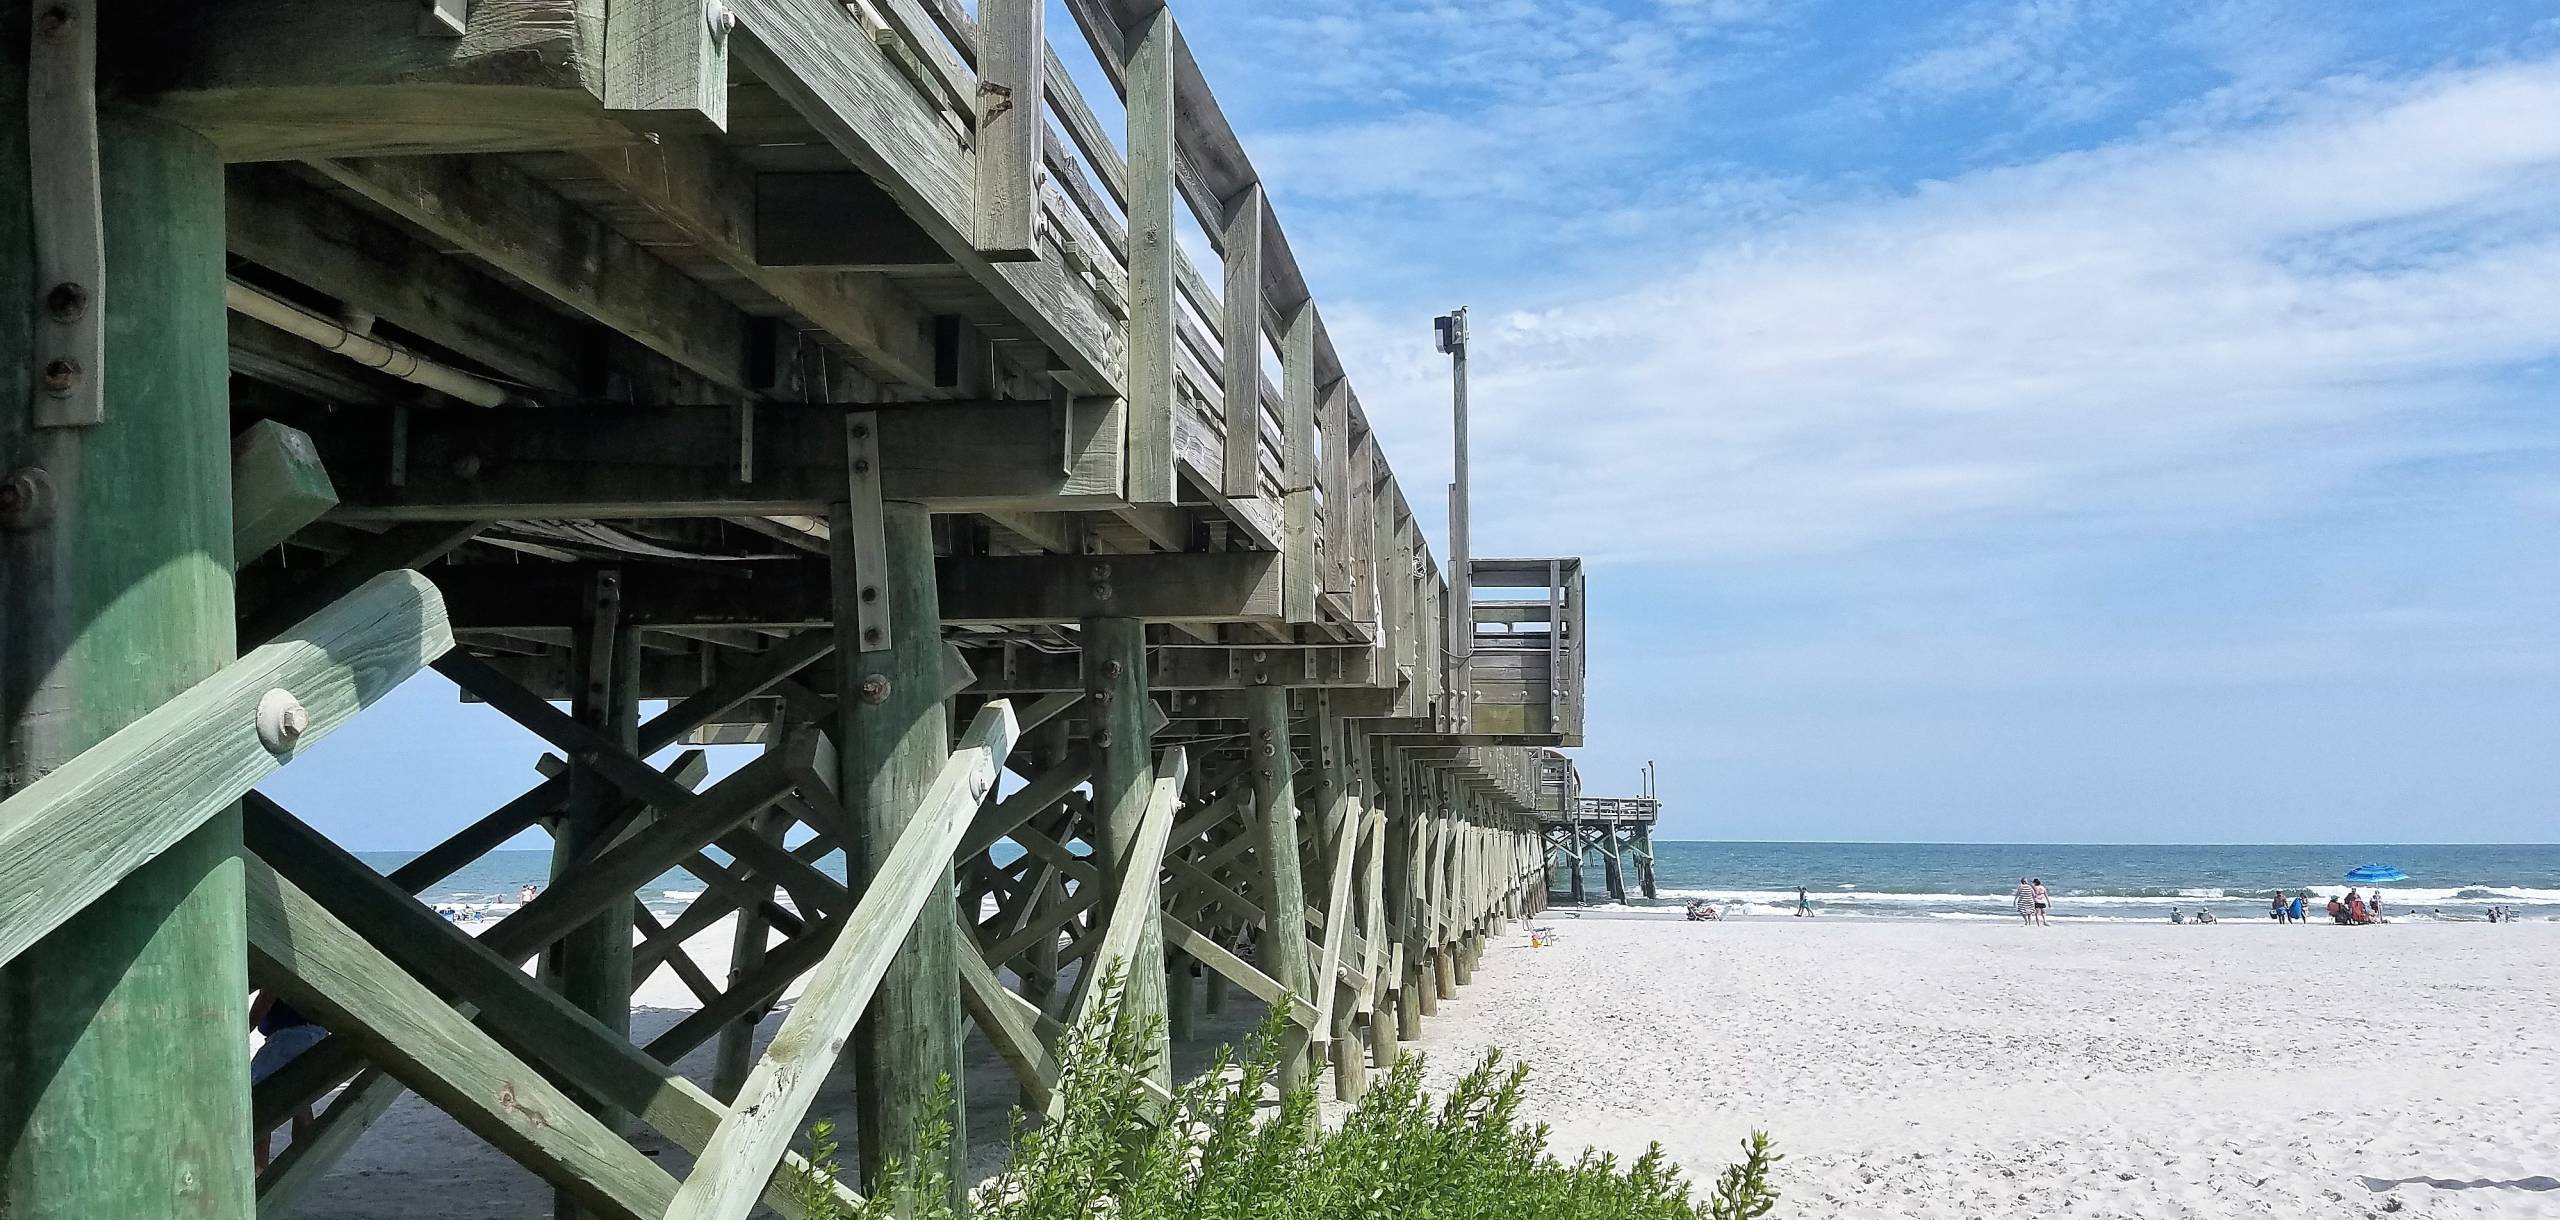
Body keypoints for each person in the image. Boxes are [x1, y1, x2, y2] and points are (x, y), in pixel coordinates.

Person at [249, 992, 326, 1172]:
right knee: (300, 1098)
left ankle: (258, 1169)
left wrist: (246, 1028)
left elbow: (269, 992)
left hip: (291, 1033)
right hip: (309, 1032)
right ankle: (303, 1162)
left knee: (256, 1094)